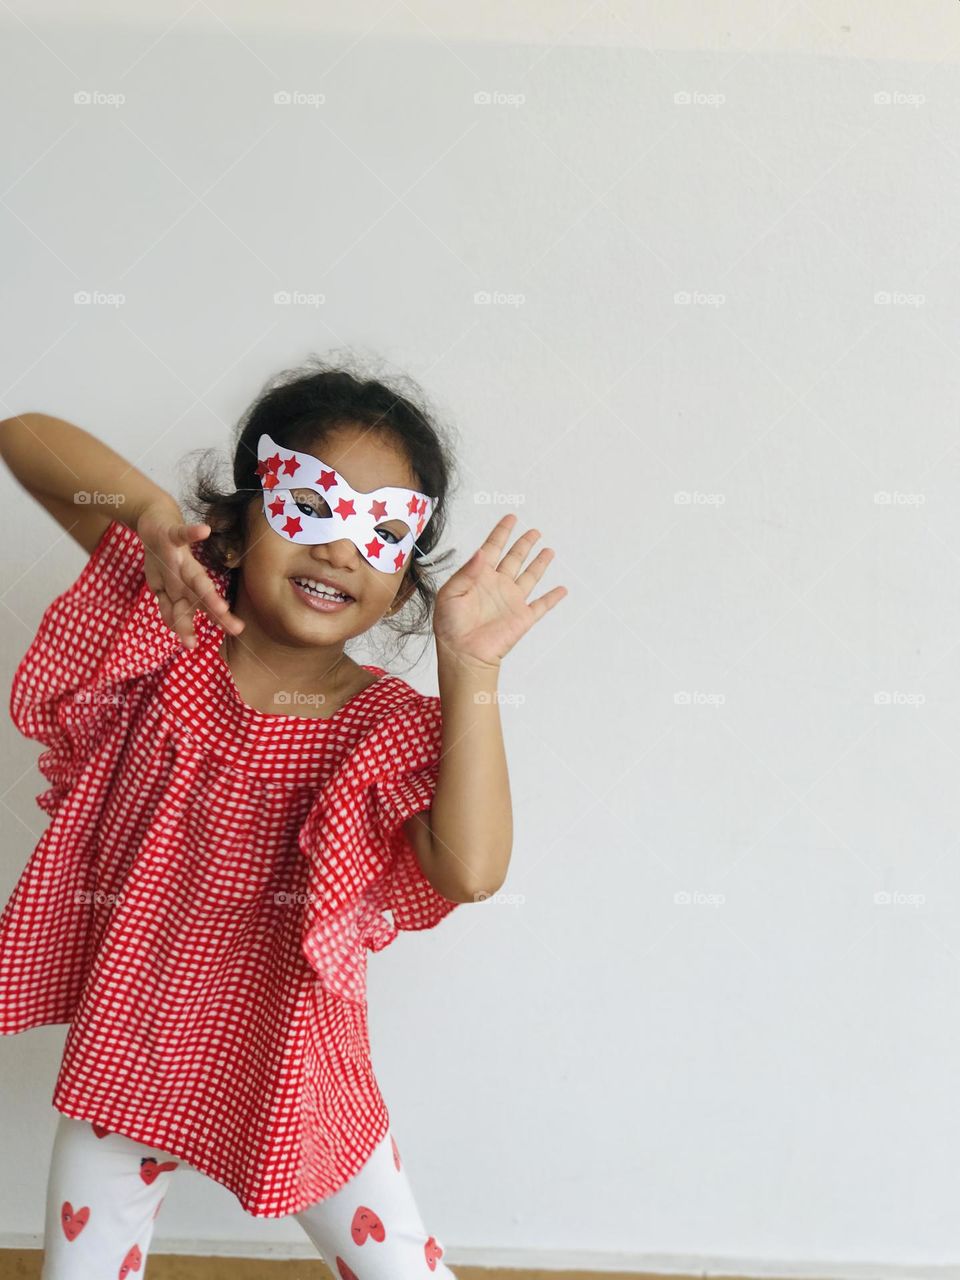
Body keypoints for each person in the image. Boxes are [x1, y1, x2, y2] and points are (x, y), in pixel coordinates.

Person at [0, 359, 567, 1277]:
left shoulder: (383, 730)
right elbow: (23, 435)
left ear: (403, 588)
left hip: (297, 1074)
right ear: (231, 530)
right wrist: (149, 515)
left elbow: (470, 871)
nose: (342, 550)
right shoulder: (169, 627)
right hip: (131, 1053)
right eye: (311, 506)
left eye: (381, 533)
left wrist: (471, 671)